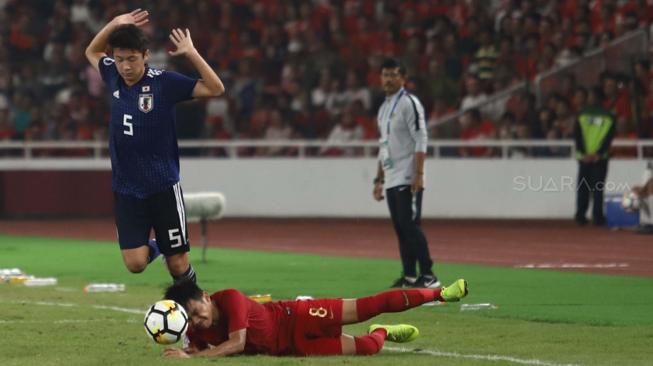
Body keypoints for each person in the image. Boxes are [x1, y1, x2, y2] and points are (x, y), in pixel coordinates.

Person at [84, 9, 225, 282]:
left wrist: (191, 53)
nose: (125, 66)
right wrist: (114, 23)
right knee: (135, 263)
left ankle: (193, 309)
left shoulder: (164, 83)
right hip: (127, 190)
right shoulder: (113, 75)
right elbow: (92, 51)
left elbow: (216, 89)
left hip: (162, 187)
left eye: (132, 59)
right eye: (120, 59)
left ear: (145, 56)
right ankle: (162, 244)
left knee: (178, 264)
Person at [162, 278, 468, 358]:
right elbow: (197, 347)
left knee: (369, 305)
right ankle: (383, 332)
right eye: (189, 319)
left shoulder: (229, 298)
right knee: (370, 349)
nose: (196, 320)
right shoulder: (198, 332)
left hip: (298, 317)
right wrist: (189, 350)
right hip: (293, 348)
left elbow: (238, 342)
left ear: (205, 296)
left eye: (196, 311)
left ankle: (440, 294)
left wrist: (198, 357)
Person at [372, 58, 438, 288]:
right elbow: (383, 145)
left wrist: (419, 173)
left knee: (410, 225)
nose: (388, 79)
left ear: (403, 78)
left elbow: (421, 137)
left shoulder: (409, 103)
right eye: (385, 75)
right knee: (400, 227)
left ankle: (429, 275)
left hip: (408, 175)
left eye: (393, 75)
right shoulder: (383, 108)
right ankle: (410, 275)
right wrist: (379, 179)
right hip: (391, 176)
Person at [574, 87, 616, 226]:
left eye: (591, 96)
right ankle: (597, 217)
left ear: (597, 98)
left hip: (584, 157)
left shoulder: (581, 114)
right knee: (598, 189)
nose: (589, 98)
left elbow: (577, 136)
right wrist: (598, 153)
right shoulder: (609, 116)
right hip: (600, 158)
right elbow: (608, 137)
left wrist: (584, 153)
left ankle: (580, 216)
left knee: (583, 188)